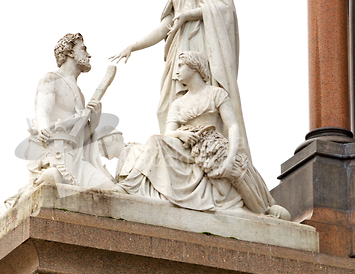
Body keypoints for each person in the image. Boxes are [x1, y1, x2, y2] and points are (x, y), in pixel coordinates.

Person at [111, 0, 248, 158]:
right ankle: (178, 153)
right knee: (167, 107)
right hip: (179, 53)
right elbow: (166, 25)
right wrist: (133, 46)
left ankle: (213, 150)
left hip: (201, 47)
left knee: (207, 104)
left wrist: (188, 15)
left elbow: (224, 11)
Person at [114, 51, 289, 218]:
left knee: (239, 171)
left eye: (181, 65)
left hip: (210, 145)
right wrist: (180, 134)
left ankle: (263, 208)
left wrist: (230, 157)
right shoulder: (178, 104)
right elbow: (168, 133)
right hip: (185, 145)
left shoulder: (216, 93)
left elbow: (233, 127)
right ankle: (130, 185)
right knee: (154, 140)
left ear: (194, 66)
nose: (176, 71)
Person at [27, 32, 114, 190]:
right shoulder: (51, 79)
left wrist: (93, 122)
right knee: (52, 180)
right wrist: (43, 128)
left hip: (77, 160)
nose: (88, 55)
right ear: (69, 52)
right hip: (56, 156)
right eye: (83, 49)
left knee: (111, 191)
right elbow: (42, 111)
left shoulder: (80, 94)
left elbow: (79, 137)